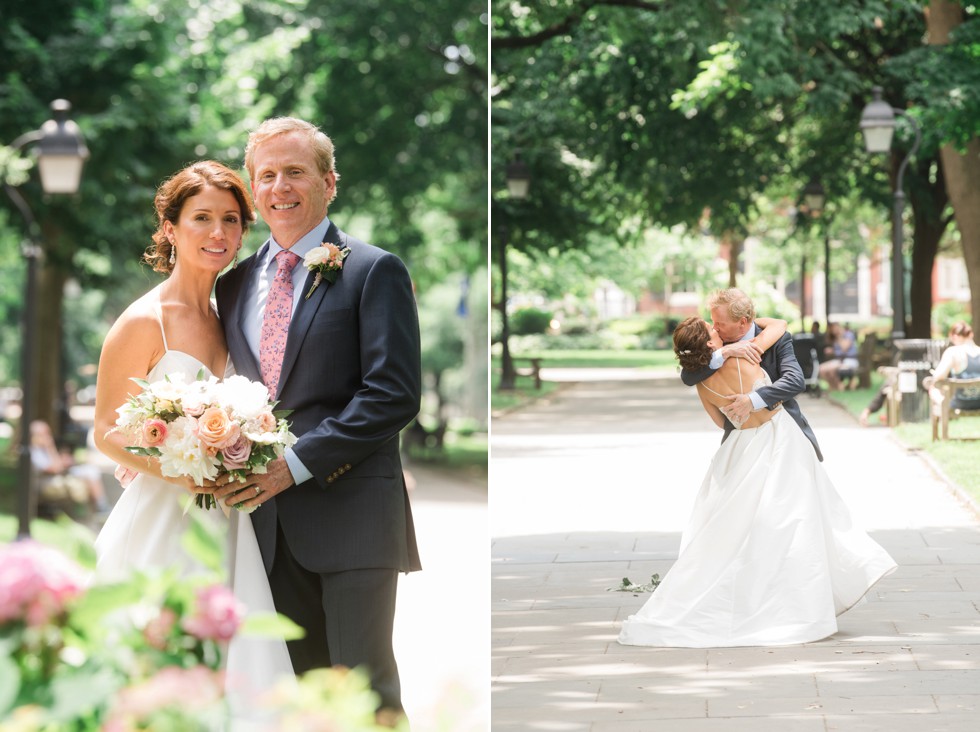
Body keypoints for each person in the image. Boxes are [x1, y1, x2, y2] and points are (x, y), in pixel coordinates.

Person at [204, 116, 422, 721]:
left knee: (364, 690)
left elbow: (394, 394)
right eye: (266, 175)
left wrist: (293, 466)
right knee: (296, 697)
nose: (280, 187)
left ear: (329, 182)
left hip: (352, 515)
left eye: (295, 172)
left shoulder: (374, 270)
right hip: (263, 531)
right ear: (253, 189)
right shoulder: (234, 284)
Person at [92, 161, 293, 727]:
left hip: (227, 519)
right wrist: (179, 469)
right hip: (164, 514)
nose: (218, 233)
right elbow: (106, 429)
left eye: (231, 220)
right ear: (170, 228)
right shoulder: (143, 321)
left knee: (230, 671)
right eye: (201, 218)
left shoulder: (230, 315)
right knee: (153, 666)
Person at [618, 317, 896, 647]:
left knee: (740, 530)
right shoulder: (741, 356)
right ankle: (794, 603)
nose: (718, 330)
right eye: (712, 329)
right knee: (794, 520)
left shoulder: (701, 382)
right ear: (710, 343)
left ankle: (754, 598)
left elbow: (720, 421)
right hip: (778, 439)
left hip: (739, 447)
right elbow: (776, 343)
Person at [680, 288, 823, 461]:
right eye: (713, 322)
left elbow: (795, 381)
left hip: (784, 434)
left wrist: (752, 401)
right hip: (741, 443)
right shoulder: (716, 343)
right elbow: (688, 376)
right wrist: (724, 352)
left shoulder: (777, 338)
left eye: (720, 323)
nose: (715, 328)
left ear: (742, 322)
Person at [925, 321, 980, 410]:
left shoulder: (953, 352)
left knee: (933, 389)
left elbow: (938, 376)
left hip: (961, 403)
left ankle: (944, 411)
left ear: (954, 337)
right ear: (971, 334)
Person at [819, 322, 860, 391]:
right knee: (821, 369)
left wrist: (840, 336)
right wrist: (832, 350)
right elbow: (838, 350)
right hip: (839, 361)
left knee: (831, 371)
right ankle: (834, 387)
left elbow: (844, 348)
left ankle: (838, 387)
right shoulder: (835, 338)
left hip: (849, 360)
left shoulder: (848, 334)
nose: (834, 331)